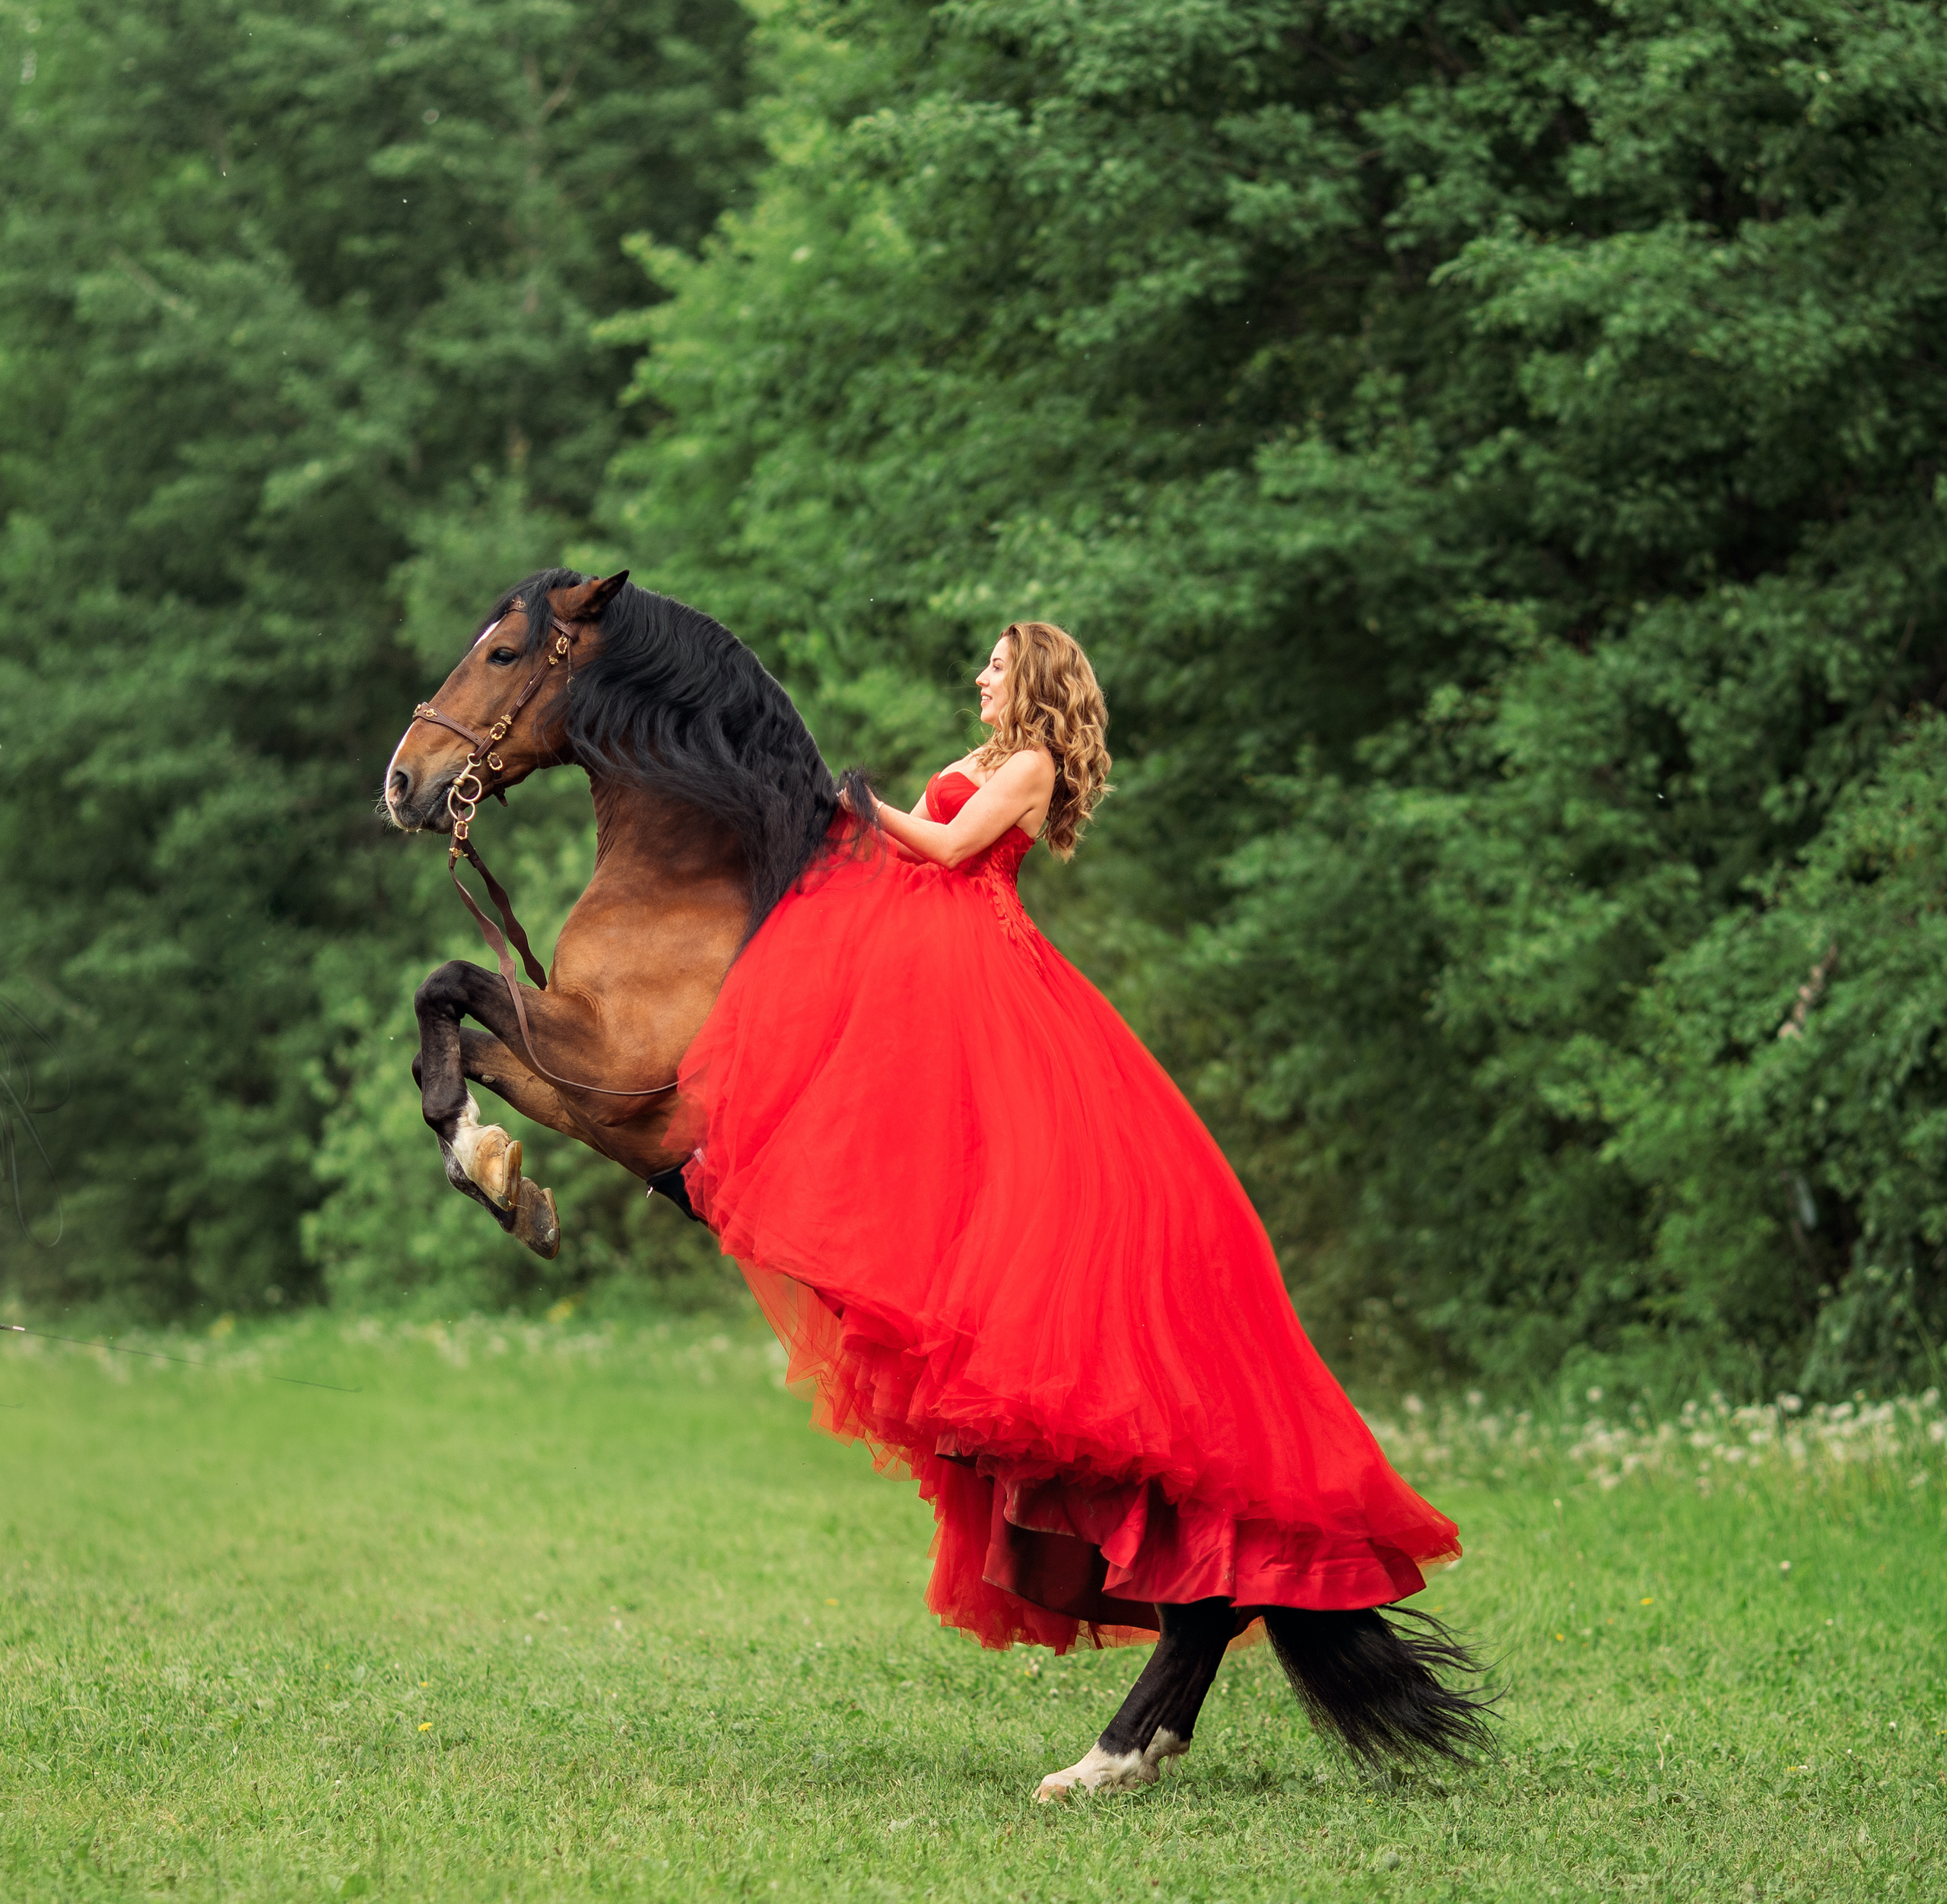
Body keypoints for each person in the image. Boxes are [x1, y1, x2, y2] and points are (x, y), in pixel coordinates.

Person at [675, 620, 1479, 1798]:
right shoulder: (984, 746)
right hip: (933, 980)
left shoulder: (1030, 766)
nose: (982, 676)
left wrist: (862, 802)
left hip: (990, 994)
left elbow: (947, 849)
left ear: (1038, 681)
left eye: (998, 664)